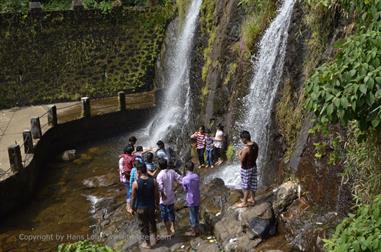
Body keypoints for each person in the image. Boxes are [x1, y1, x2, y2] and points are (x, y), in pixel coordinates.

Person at [131, 163, 160, 249]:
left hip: (141, 208)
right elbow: (157, 195)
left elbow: (133, 198)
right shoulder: (153, 181)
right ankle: (156, 237)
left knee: (144, 226)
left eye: (137, 171)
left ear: (139, 172)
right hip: (151, 206)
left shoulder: (135, 183)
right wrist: (157, 205)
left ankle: (148, 243)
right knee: (153, 222)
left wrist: (133, 208)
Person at [156, 158, 182, 236]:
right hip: (171, 196)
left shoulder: (159, 175)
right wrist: (176, 188)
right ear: (166, 164)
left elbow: (160, 187)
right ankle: (173, 227)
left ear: (159, 166)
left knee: (165, 215)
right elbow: (180, 179)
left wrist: (162, 195)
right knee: (171, 212)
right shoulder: (172, 172)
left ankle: (168, 230)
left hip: (163, 199)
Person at [237, 130, 259, 208]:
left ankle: (244, 202)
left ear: (244, 139)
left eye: (242, 139)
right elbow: (256, 156)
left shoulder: (246, 148)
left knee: (245, 185)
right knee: (253, 183)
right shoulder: (255, 145)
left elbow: (241, 159)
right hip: (253, 166)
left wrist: (239, 154)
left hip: (246, 169)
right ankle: (253, 199)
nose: (242, 141)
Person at [182, 161, 200, 236]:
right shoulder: (196, 176)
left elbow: (185, 190)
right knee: (196, 213)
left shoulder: (185, 179)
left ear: (186, 168)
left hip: (190, 198)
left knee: (192, 215)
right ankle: (197, 228)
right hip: (197, 197)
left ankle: (194, 231)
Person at [118, 144, 135, 213]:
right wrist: (131, 176)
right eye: (131, 152)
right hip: (126, 178)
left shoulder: (126, 158)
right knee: (130, 191)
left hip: (129, 176)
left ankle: (132, 203)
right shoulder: (122, 160)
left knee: (132, 190)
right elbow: (123, 171)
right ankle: (128, 206)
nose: (131, 153)